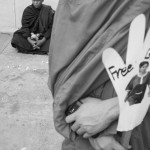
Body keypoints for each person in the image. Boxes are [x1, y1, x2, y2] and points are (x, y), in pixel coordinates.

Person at [48, 0, 150, 150]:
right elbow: (61, 69)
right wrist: (82, 121)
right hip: (83, 129)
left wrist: (117, 107)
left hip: (138, 125)